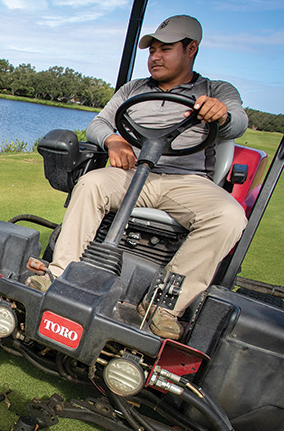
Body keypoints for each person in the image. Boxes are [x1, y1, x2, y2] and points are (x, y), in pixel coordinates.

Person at [29, 15, 248, 340]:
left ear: (191, 49)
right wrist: (114, 140)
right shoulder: (134, 89)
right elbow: (99, 123)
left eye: (165, 49)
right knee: (90, 183)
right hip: (133, 174)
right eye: (152, 50)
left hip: (187, 181)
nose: (155, 57)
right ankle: (60, 275)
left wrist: (221, 113)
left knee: (230, 216)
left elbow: (238, 122)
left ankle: (164, 306)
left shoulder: (215, 90)